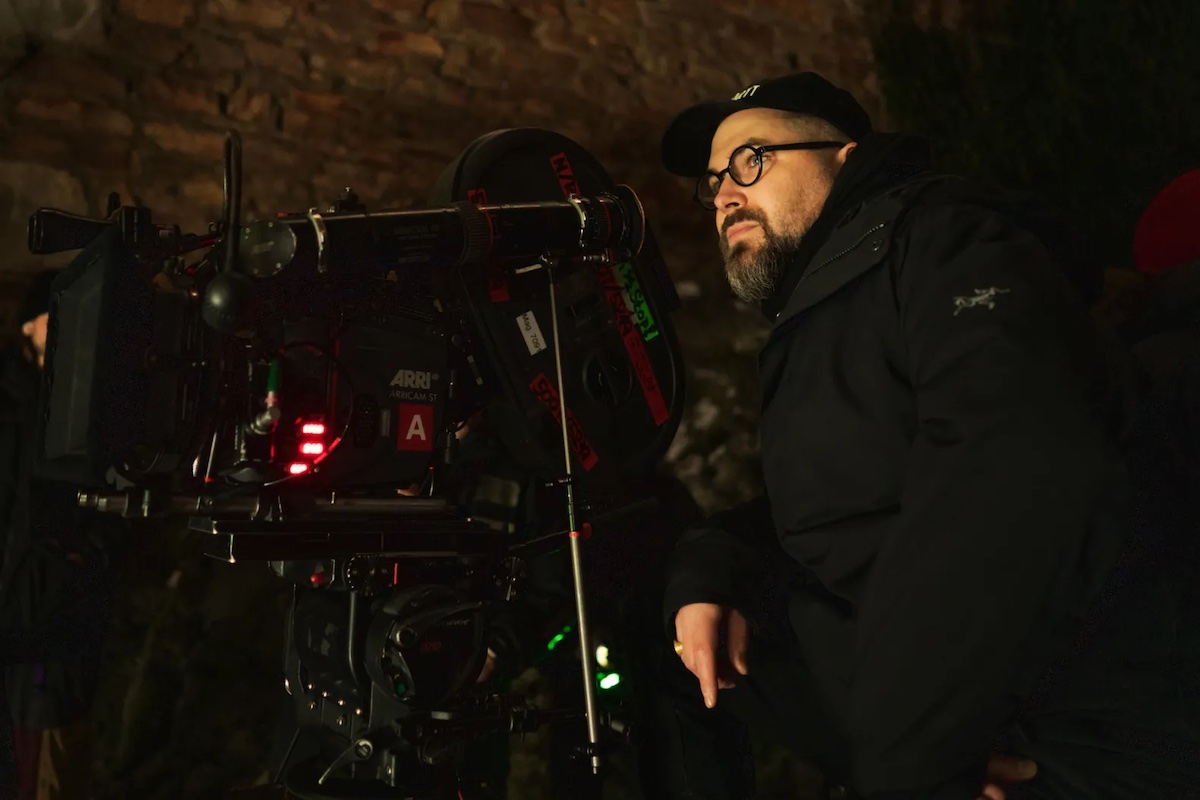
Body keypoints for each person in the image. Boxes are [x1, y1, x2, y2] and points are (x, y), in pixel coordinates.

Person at [655, 72, 1200, 799]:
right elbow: (832, 518)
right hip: (923, 713)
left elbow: (1012, 448)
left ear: (845, 157)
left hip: (1068, 722)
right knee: (652, 620)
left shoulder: (936, 234)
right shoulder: (817, 317)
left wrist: (920, 753)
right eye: (715, 179)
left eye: (751, 159)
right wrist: (706, 573)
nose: (724, 193)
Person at [0, 270, 124, 800]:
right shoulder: (10, 401)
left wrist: (81, 561)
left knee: (51, 752)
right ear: (29, 326)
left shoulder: (84, 403)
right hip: (15, 599)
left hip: (57, 613)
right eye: (54, 318)